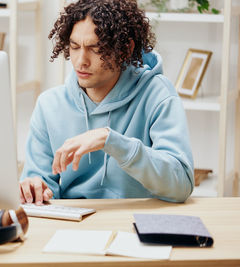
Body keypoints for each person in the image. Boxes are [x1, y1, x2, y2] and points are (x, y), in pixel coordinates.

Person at [19, 0, 194, 205]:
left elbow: (181, 185)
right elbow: (42, 185)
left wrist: (112, 141)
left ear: (125, 49)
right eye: (74, 47)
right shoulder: (49, 105)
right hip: (73, 225)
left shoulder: (157, 94)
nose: (80, 61)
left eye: (94, 49)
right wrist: (35, 188)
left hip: (136, 222)